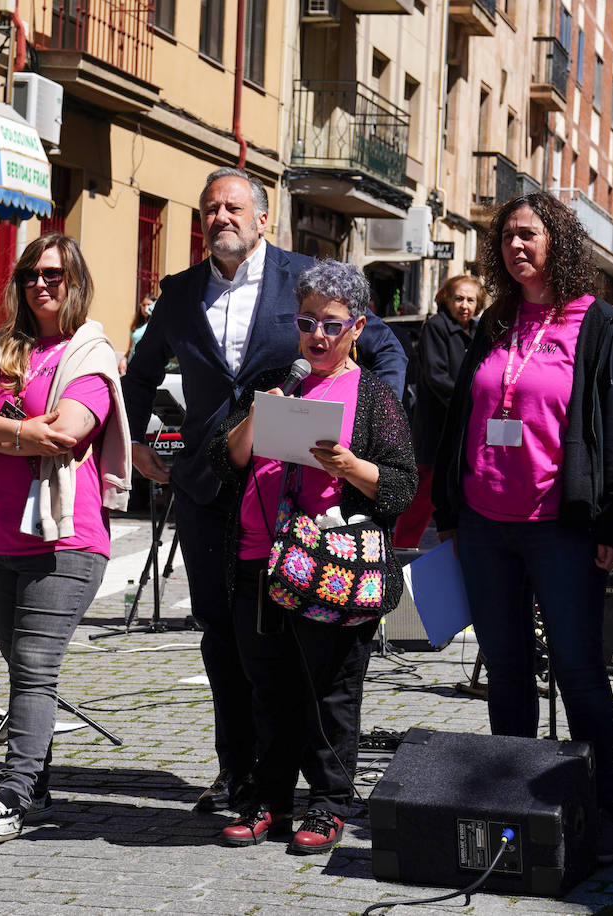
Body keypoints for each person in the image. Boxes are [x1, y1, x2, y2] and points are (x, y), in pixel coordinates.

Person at [122, 167, 408, 813]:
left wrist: (368, 424)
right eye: (210, 209)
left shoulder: (305, 279)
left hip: (294, 493)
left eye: (233, 207)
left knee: (297, 638)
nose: (221, 217)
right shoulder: (179, 293)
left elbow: (387, 349)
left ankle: (309, 781)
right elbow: (137, 376)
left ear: (262, 218)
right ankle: (238, 773)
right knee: (224, 636)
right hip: (208, 485)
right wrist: (136, 441)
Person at [431, 191, 613, 864]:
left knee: (580, 673)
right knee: (509, 674)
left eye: (530, 234)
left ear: (561, 242)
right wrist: (448, 511)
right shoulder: (495, 322)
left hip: (562, 525)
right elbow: (462, 414)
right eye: (507, 237)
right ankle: (513, 807)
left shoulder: (600, 323)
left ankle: (602, 814)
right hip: (485, 523)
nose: (515, 246)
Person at [208, 259, 415, 853]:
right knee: (266, 687)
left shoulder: (372, 395)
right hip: (259, 558)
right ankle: (266, 801)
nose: (316, 336)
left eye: (330, 324)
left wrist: (350, 466)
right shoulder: (278, 379)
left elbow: (400, 486)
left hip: (331, 565)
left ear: (358, 326)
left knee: (330, 689)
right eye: (307, 323)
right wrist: (255, 415)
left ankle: (327, 805)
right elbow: (225, 464)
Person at [0, 234, 131, 844]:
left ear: (75, 282)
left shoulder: (90, 354)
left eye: (53, 274)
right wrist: (22, 429)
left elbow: (70, 434)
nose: (40, 284)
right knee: (22, 667)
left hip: (66, 541)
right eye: (30, 274)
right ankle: (37, 781)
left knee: (34, 668)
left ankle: (12, 796)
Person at [393, 275, 483, 548]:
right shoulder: (436, 327)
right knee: (425, 494)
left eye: (471, 299)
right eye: (459, 298)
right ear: (446, 298)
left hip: (464, 429)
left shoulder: (476, 331)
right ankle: (401, 549)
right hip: (436, 429)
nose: (464, 305)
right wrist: (470, 402)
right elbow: (435, 376)